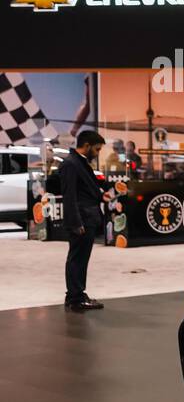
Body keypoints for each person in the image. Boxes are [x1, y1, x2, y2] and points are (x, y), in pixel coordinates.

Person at [62, 129, 107, 311]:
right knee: (77, 259)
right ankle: (75, 297)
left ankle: (76, 294)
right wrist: (76, 223)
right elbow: (69, 196)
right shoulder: (71, 164)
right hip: (81, 220)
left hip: (88, 218)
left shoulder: (79, 163)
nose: (98, 154)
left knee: (80, 258)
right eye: (97, 149)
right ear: (87, 146)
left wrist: (100, 195)